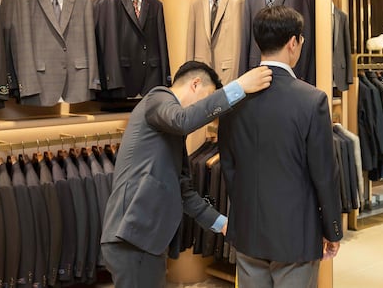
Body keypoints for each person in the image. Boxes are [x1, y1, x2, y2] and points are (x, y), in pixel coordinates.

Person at [100, 61, 272, 288]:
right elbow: (183, 120)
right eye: (207, 97)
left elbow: (184, 192)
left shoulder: (171, 131)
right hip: (133, 236)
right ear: (195, 84)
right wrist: (238, 87)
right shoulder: (157, 98)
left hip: (142, 239)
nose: (205, 111)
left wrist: (223, 224)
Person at [218, 6, 343, 288]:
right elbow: (324, 174)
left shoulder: (233, 96)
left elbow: (229, 166)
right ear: (293, 43)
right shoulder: (312, 100)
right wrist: (332, 228)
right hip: (295, 234)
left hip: (248, 229)